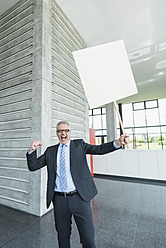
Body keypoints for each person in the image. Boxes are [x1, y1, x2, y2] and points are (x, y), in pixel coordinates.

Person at [26, 121, 129, 248]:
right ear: (57, 133)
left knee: (88, 238)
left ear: (70, 132)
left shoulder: (79, 145)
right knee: (63, 237)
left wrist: (118, 143)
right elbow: (33, 166)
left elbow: (99, 149)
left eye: (66, 130)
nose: (63, 133)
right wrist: (32, 151)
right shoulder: (50, 151)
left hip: (80, 198)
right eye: (59, 131)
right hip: (59, 200)